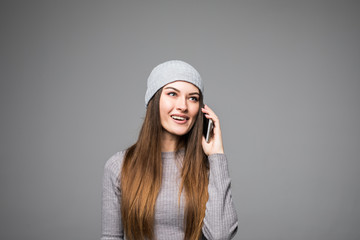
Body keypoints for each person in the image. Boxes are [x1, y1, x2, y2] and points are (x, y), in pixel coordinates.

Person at [102, 60, 238, 240]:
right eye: (172, 94)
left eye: (193, 98)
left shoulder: (208, 167)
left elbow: (221, 236)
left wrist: (217, 155)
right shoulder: (119, 166)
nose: (183, 106)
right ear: (153, 100)